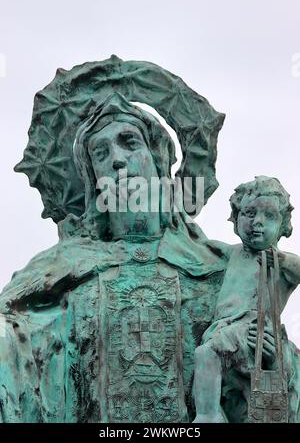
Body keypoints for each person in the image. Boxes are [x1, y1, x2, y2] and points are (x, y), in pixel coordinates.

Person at [0, 93, 226, 423]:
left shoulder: (214, 266)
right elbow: (18, 335)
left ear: (158, 158)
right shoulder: (63, 268)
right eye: (101, 153)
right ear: (92, 177)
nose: (116, 160)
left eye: (129, 143)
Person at [193, 176, 300, 423]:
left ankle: (207, 415)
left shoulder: (280, 262)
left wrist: (282, 261)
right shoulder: (231, 253)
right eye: (249, 213)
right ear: (235, 217)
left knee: (206, 355)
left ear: (284, 225)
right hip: (224, 329)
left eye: (269, 216)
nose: (257, 223)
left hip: (254, 329)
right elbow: (199, 245)